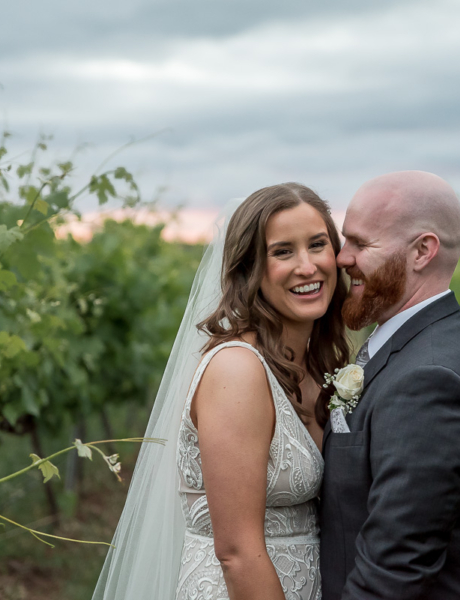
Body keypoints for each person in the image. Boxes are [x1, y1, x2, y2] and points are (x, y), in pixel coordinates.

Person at [93, 183, 349, 600]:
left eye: (318, 245)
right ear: (250, 268)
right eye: (283, 251)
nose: (307, 266)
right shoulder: (237, 369)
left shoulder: (320, 367)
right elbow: (237, 552)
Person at [320, 171, 460, 600]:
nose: (341, 258)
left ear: (422, 251)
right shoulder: (420, 346)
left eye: (361, 243)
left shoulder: (429, 381)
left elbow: (393, 574)